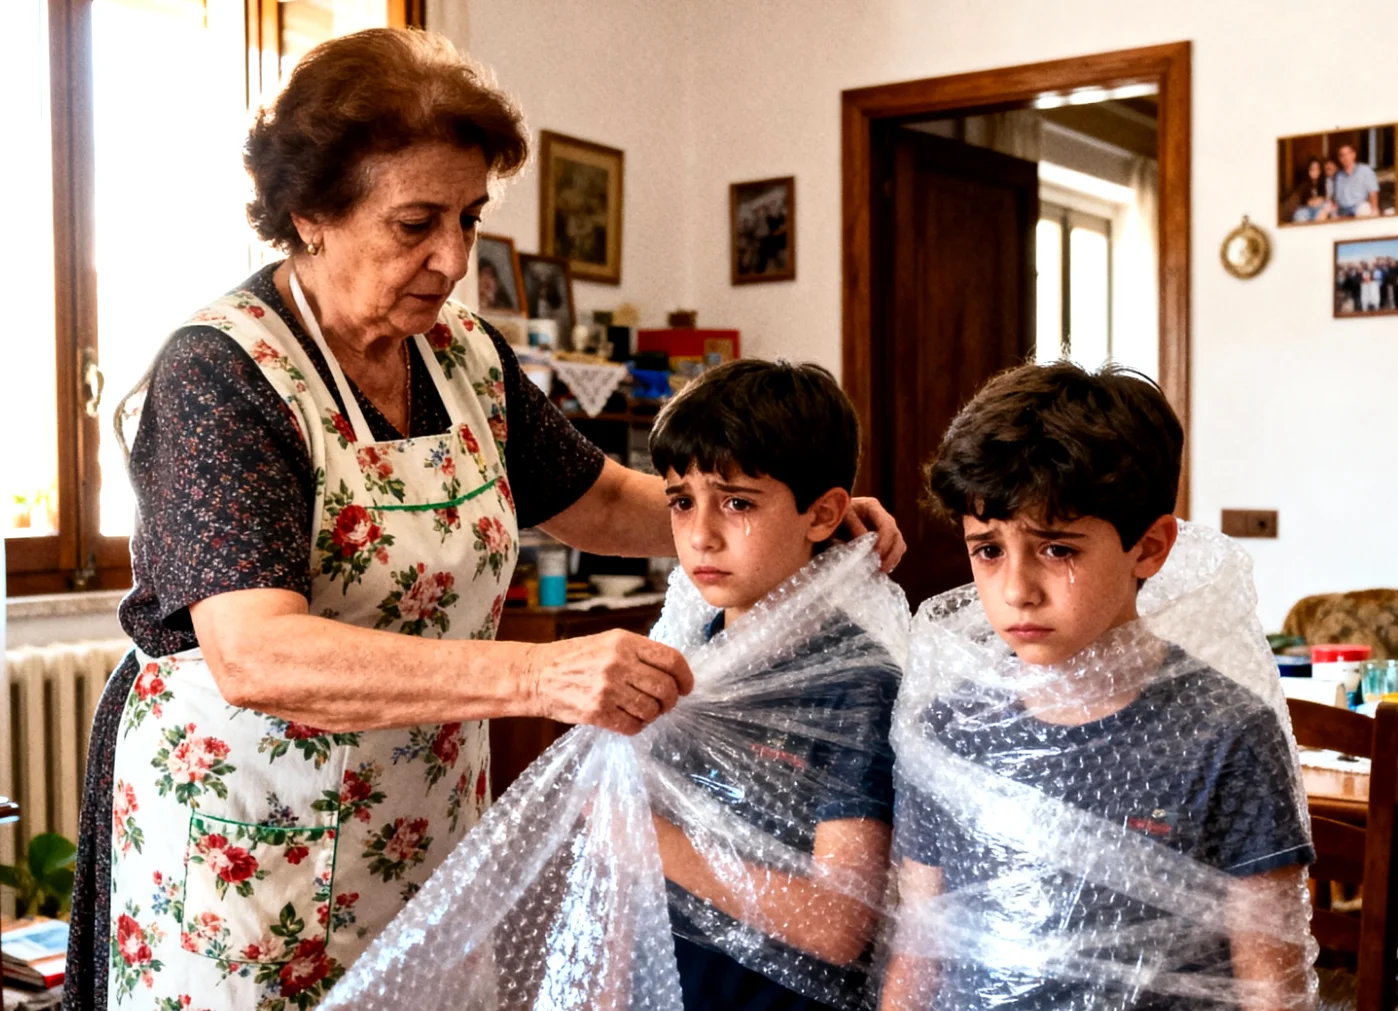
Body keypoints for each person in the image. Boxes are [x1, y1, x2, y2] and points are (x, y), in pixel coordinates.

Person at [67, 29, 905, 1011]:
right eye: (416, 223)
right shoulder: (220, 373)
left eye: (468, 217)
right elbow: (257, 653)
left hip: (416, 814)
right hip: (246, 827)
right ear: (311, 217)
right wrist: (542, 672)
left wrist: (792, 535)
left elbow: (597, 499)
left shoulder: (461, 353)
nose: (454, 259)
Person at [881, 363, 1314, 1011]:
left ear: (1150, 547)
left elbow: (1269, 983)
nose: (1016, 588)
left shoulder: (1225, 730)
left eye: (1057, 549)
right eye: (988, 549)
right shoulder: (948, 728)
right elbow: (920, 954)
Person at [647, 359, 902, 1011]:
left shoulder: (854, 682)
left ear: (822, 515)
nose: (700, 532)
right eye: (682, 500)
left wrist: (650, 838)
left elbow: (839, 924)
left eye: (736, 501)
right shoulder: (688, 645)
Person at [1331, 142, 1381, 218]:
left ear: (1354, 154)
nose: (1345, 157)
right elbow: (1336, 199)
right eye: (1342, 155)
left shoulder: (1365, 170)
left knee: (1365, 209)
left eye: (1348, 154)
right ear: (1340, 159)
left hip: (1359, 207)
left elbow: (1373, 193)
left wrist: (1374, 210)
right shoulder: (1338, 176)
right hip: (1342, 210)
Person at [1286, 156, 1336, 223]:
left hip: (1317, 212)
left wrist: (1321, 200)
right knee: (1302, 215)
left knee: (1326, 208)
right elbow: (1301, 203)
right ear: (1308, 170)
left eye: (1318, 169)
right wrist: (1310, 202)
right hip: (1303, 212)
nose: (1315, 172)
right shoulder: (1303, 186)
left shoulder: (1323, 183)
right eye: (1312, 169)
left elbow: (1325, 199)